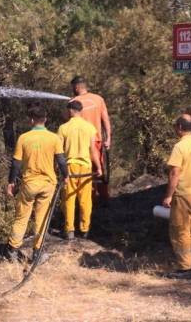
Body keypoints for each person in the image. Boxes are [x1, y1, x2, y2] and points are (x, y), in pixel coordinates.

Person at [6, 104, 66, 263]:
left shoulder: (23, 138)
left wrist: (11, 182)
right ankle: (37, 253)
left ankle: (12, 250)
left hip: (29, 184)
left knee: (21, 218)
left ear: (31, 120)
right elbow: (61, 161)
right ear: (45, 119)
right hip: (48, 184)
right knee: (42, 218)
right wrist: (66, 176)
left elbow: (16, 164)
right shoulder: (54, 138)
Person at [161, 113, 191, 279]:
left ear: (179, 127)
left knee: (180, 230)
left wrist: (168, 196)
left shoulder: (179, 147)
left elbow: (174, 173)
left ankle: (186, 268)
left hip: (183, 193)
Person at [57, 100, 102, 240]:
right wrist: (99, 167)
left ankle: (69, 230)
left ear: (70, 110)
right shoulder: (89, 127)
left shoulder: (63, 128)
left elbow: (58, 152)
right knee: (85, 200)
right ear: (80, 111)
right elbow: (93, 150)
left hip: (69, 167)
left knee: (69, 199)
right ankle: (85, 229)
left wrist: (56, 168)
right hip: (85, 167)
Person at [70, 76, 113, 200]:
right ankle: (104, 198)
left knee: (85, 170)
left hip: (80, 142)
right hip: (97, 141)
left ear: (76, 87)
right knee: (99, 168)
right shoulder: (98, 99)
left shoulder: (73, 103)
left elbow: (68, 122)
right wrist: (108, 138)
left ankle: (89, 199)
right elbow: (106, 120)